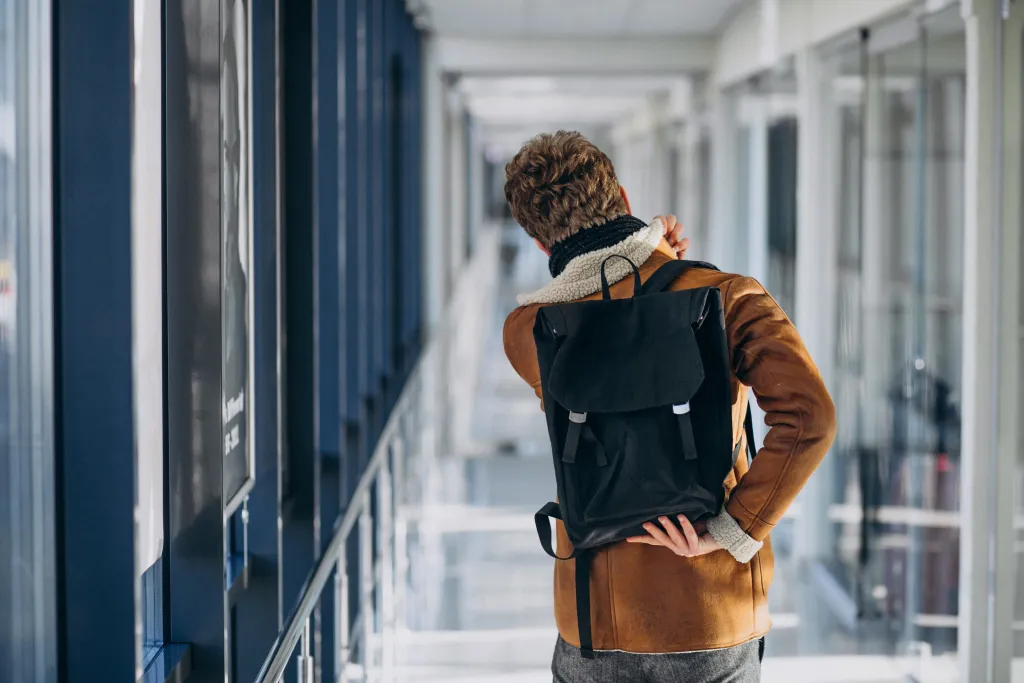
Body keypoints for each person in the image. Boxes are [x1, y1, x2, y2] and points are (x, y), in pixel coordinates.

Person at [502, 131, 836, 683]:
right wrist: (732, 528)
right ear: (624, 199)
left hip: (592, 617)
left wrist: (653, 259)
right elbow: (810, 418)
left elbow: (614, 325)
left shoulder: (529, 332)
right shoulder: (727, 297)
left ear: (540, 246)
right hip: (709, 606)